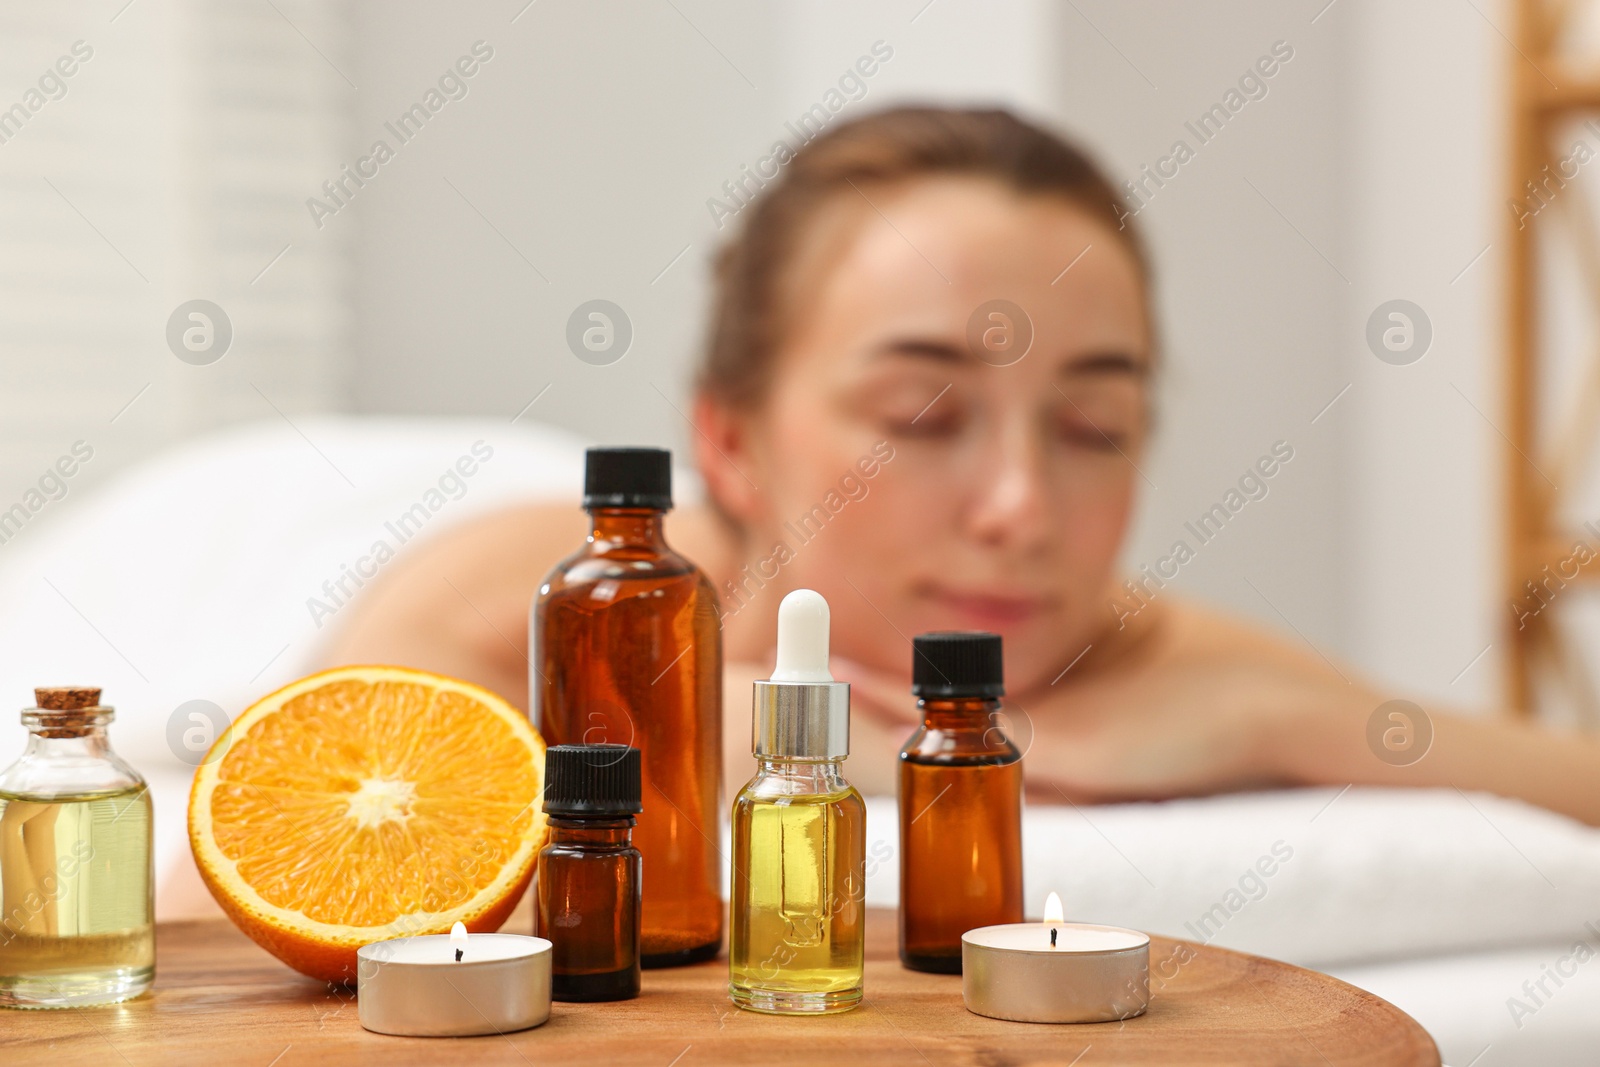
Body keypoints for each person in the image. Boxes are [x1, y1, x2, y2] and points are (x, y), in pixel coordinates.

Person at [325, 106, 1600, 825]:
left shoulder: (1133, 643)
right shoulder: (548, 597)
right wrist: (783, 742)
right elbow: (261, 867)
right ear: (727, 439)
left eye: (1095, 429)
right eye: (924, 416)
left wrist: (1278, 722)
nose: (1022, 508)